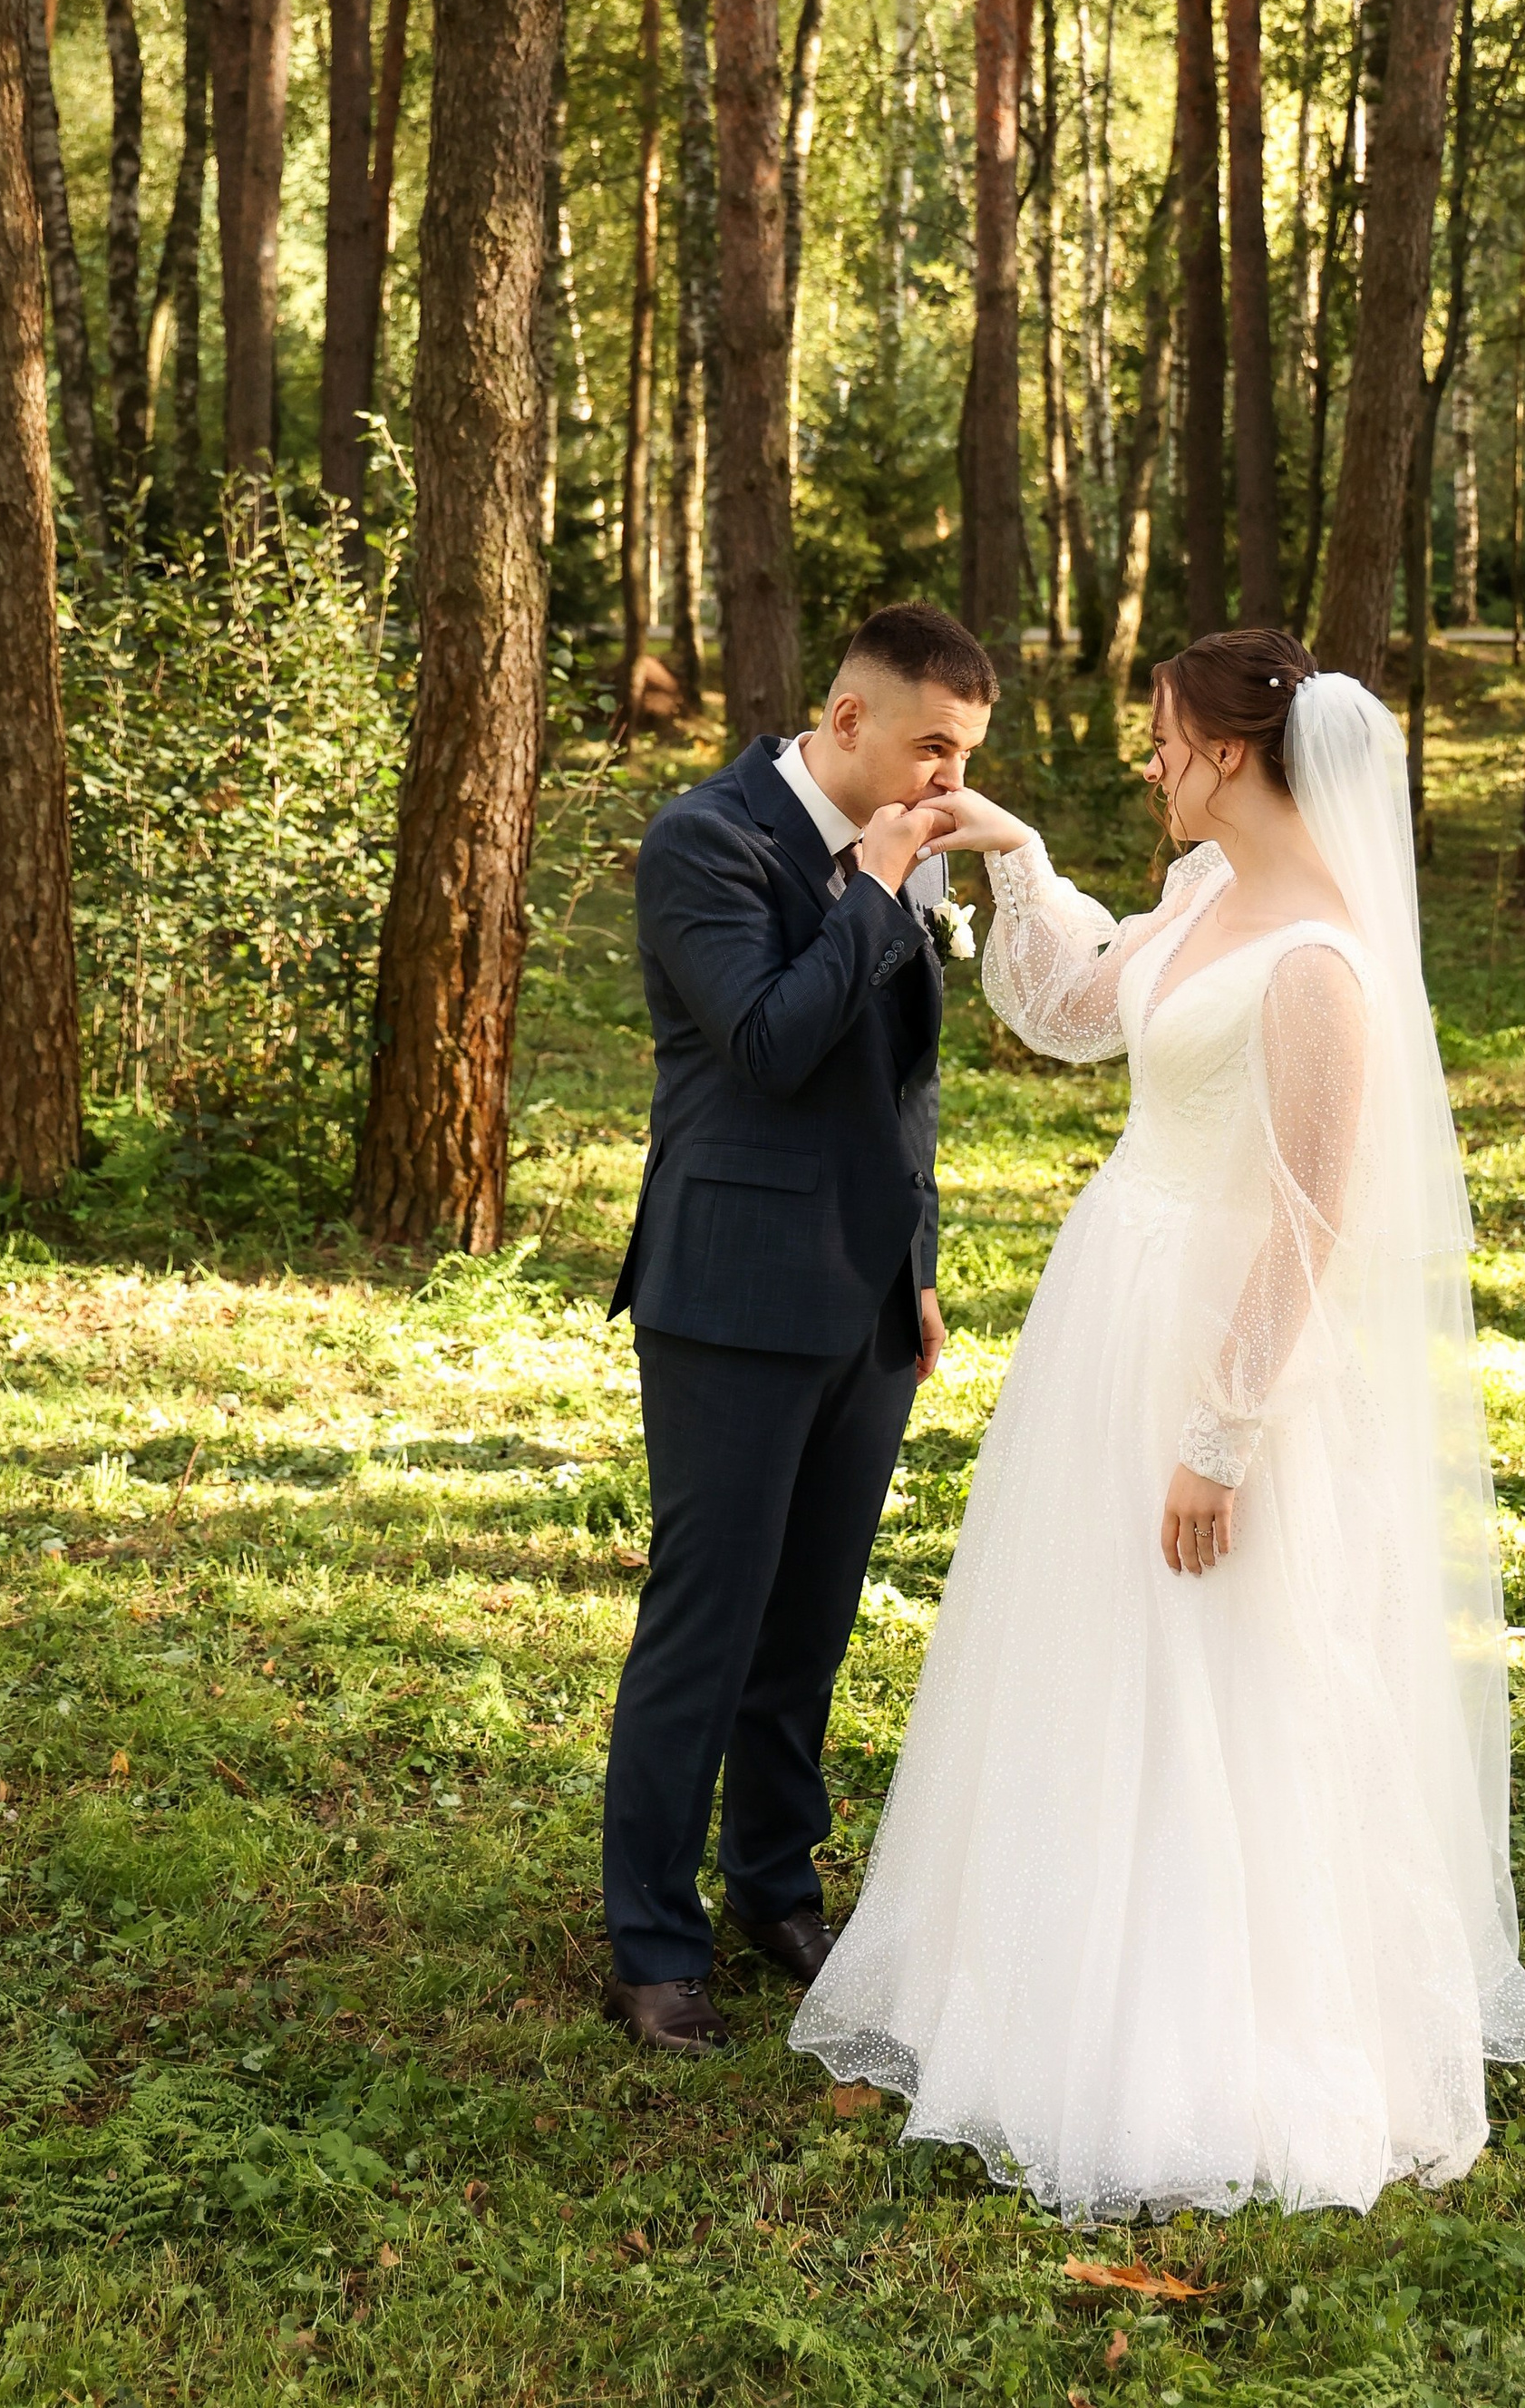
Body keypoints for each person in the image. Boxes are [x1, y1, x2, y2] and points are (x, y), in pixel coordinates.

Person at [792, 627, 1525, 2217]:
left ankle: (1198, 2035)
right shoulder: (1211, 899)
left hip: (1221, 1353)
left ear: (1227, 750)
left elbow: (1310, 1224)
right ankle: (1039, 1965)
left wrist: (1222, 1437)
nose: (1148, 758)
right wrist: (1017, 858)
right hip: (1112, 1312)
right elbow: (1078, 1006)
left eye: (1161, 736)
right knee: (1087, 1643)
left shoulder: (1323, 963)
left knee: (1221, 1666)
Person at [599, 601, 999, 2052]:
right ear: (845, 723)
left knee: (811, 1621)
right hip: (731, 1294)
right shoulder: (704, 843)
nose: (946, 781)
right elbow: (770, 1044)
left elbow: (903, 1086)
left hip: (870, 1302)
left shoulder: (896, 848)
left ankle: (773, 1881)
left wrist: (923, 1259)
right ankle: (652, 1938)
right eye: (930, 749)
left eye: (963, 756)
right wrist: (883, 885)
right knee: (705, 1625)